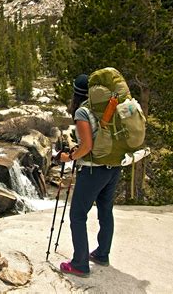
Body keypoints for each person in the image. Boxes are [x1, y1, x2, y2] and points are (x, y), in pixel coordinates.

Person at [59, 74, 121, 278]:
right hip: (113, 166)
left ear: (76, 94)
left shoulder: (83, 112)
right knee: (105, 210)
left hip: (94, 170)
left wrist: (69, 156)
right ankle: (102, 254)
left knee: (77, 215)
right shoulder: (104, 107)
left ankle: (80, 264)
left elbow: (87, 146)